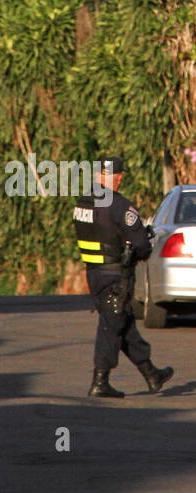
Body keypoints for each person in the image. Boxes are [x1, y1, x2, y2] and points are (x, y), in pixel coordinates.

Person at [72, 156, 173, 397]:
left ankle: (151, 374)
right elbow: (142, 245)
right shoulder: (119, 206)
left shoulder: (83, 202)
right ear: (114, 177)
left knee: (122, 322)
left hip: (94, 274)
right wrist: (143, 247)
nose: (119, 181)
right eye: (118, 177)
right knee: (110, 326)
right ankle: (100, 381)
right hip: (116, 276)